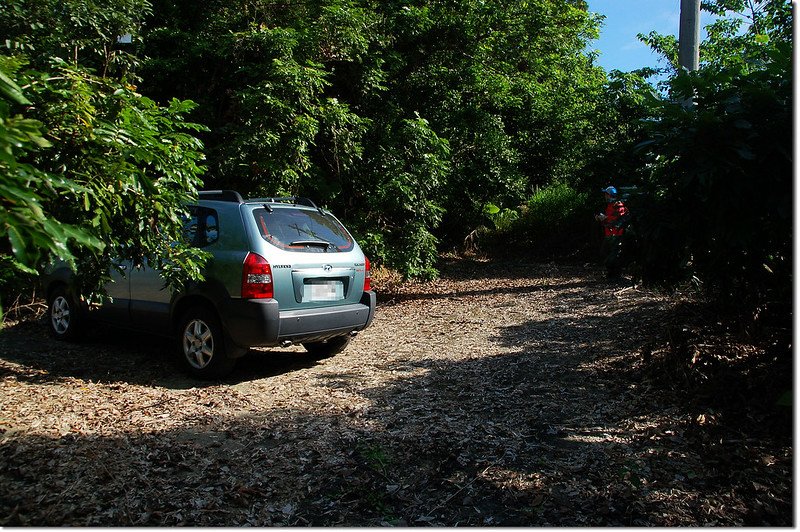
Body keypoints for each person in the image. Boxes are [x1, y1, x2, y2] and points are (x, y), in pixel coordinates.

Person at [595, 185, 628, 279]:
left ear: (610, 195)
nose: (605, 196)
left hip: (616, 235)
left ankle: (615, 275)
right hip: (609, 234)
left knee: (614, 255)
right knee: (605, 253)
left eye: (606, 194)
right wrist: (601, 219)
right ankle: (611, 274)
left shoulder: (618, 205)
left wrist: (605, 219)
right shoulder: (610, 205)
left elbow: (619, 220)